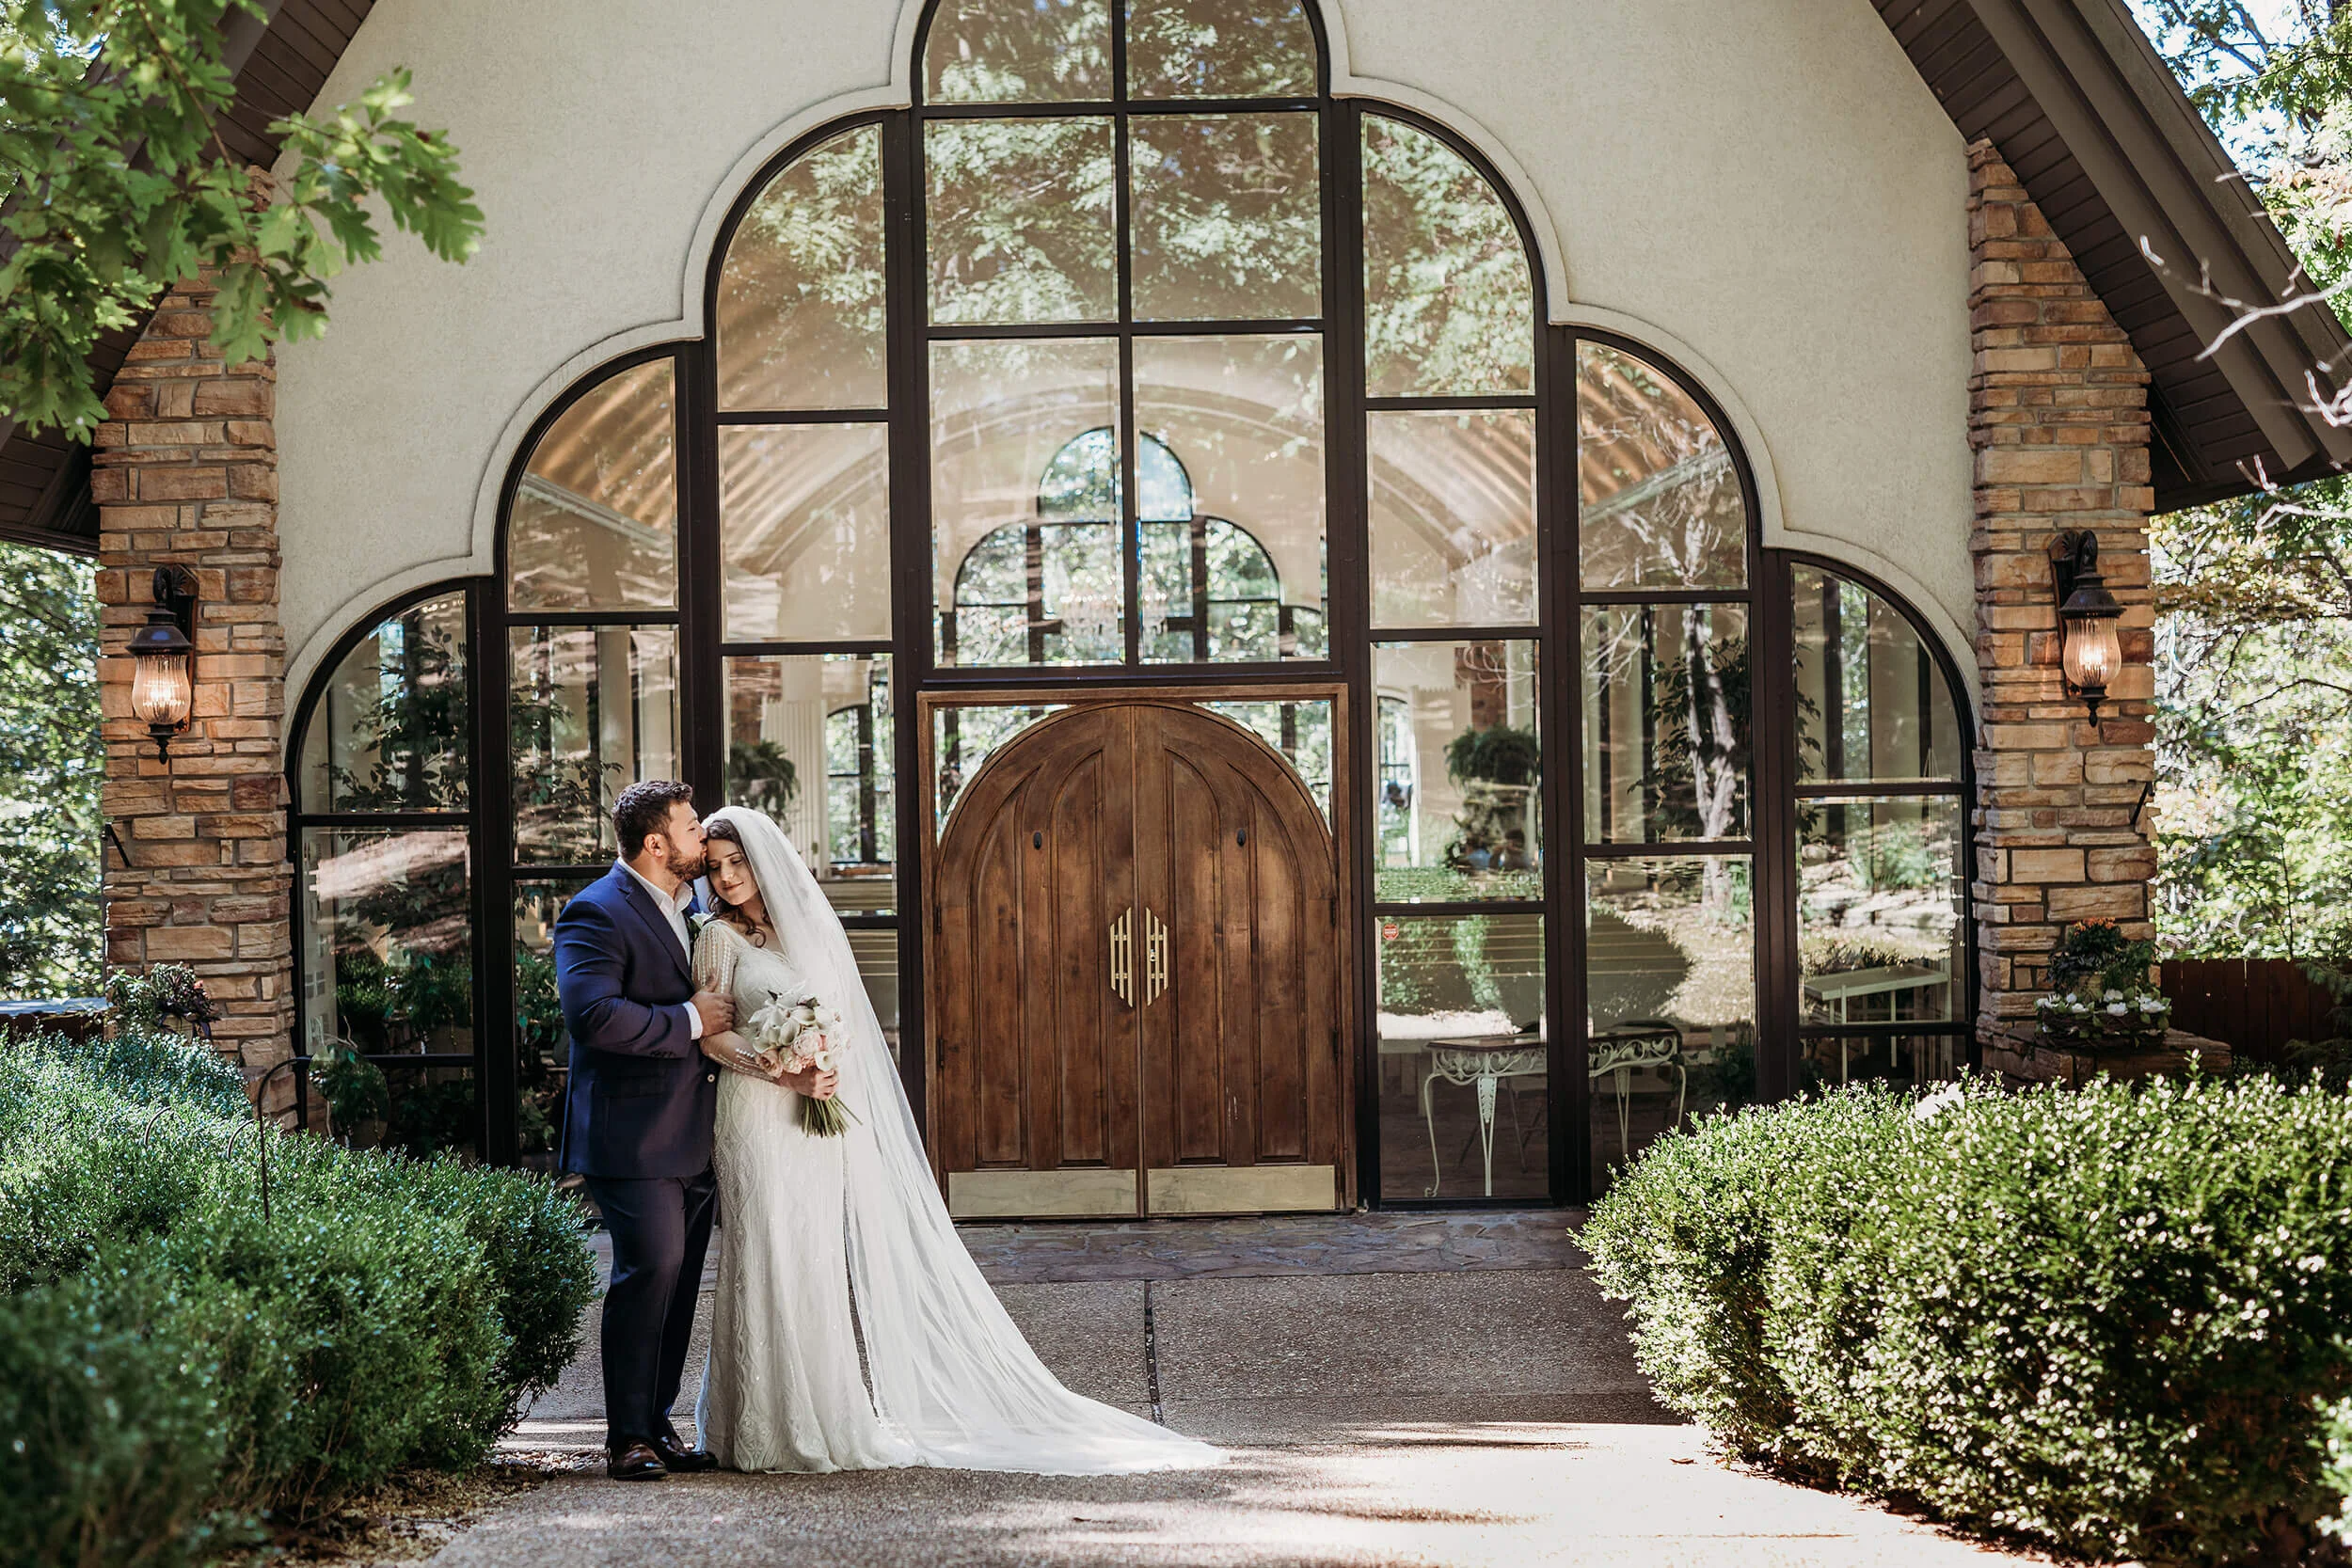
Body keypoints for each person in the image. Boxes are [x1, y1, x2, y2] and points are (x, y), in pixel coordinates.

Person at [688, 804, 1218, 1475]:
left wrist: (822, 1063)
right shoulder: (715, 937)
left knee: (816, 1255)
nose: (729, 877)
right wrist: (777, 1067)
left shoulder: (801, 928)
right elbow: (714, 1034)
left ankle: (827, 1412)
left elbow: (839, 1014)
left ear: (764, 862)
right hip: (755, 1117)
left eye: (738, 863)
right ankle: (755, 1424)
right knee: (766, 1249)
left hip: (813, 1109)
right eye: (716, 867)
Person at [552, 781, 831, 1481]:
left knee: (678, 1285)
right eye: (689, 824)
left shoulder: (695, 908)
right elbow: (593, 1016)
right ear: (656, 843)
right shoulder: (595, 911)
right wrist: (686, 1020)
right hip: (632, 1136)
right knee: (649, 1270)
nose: (701, 834)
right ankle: (626, 1438)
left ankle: (660, 1421)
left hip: (698, 1135)